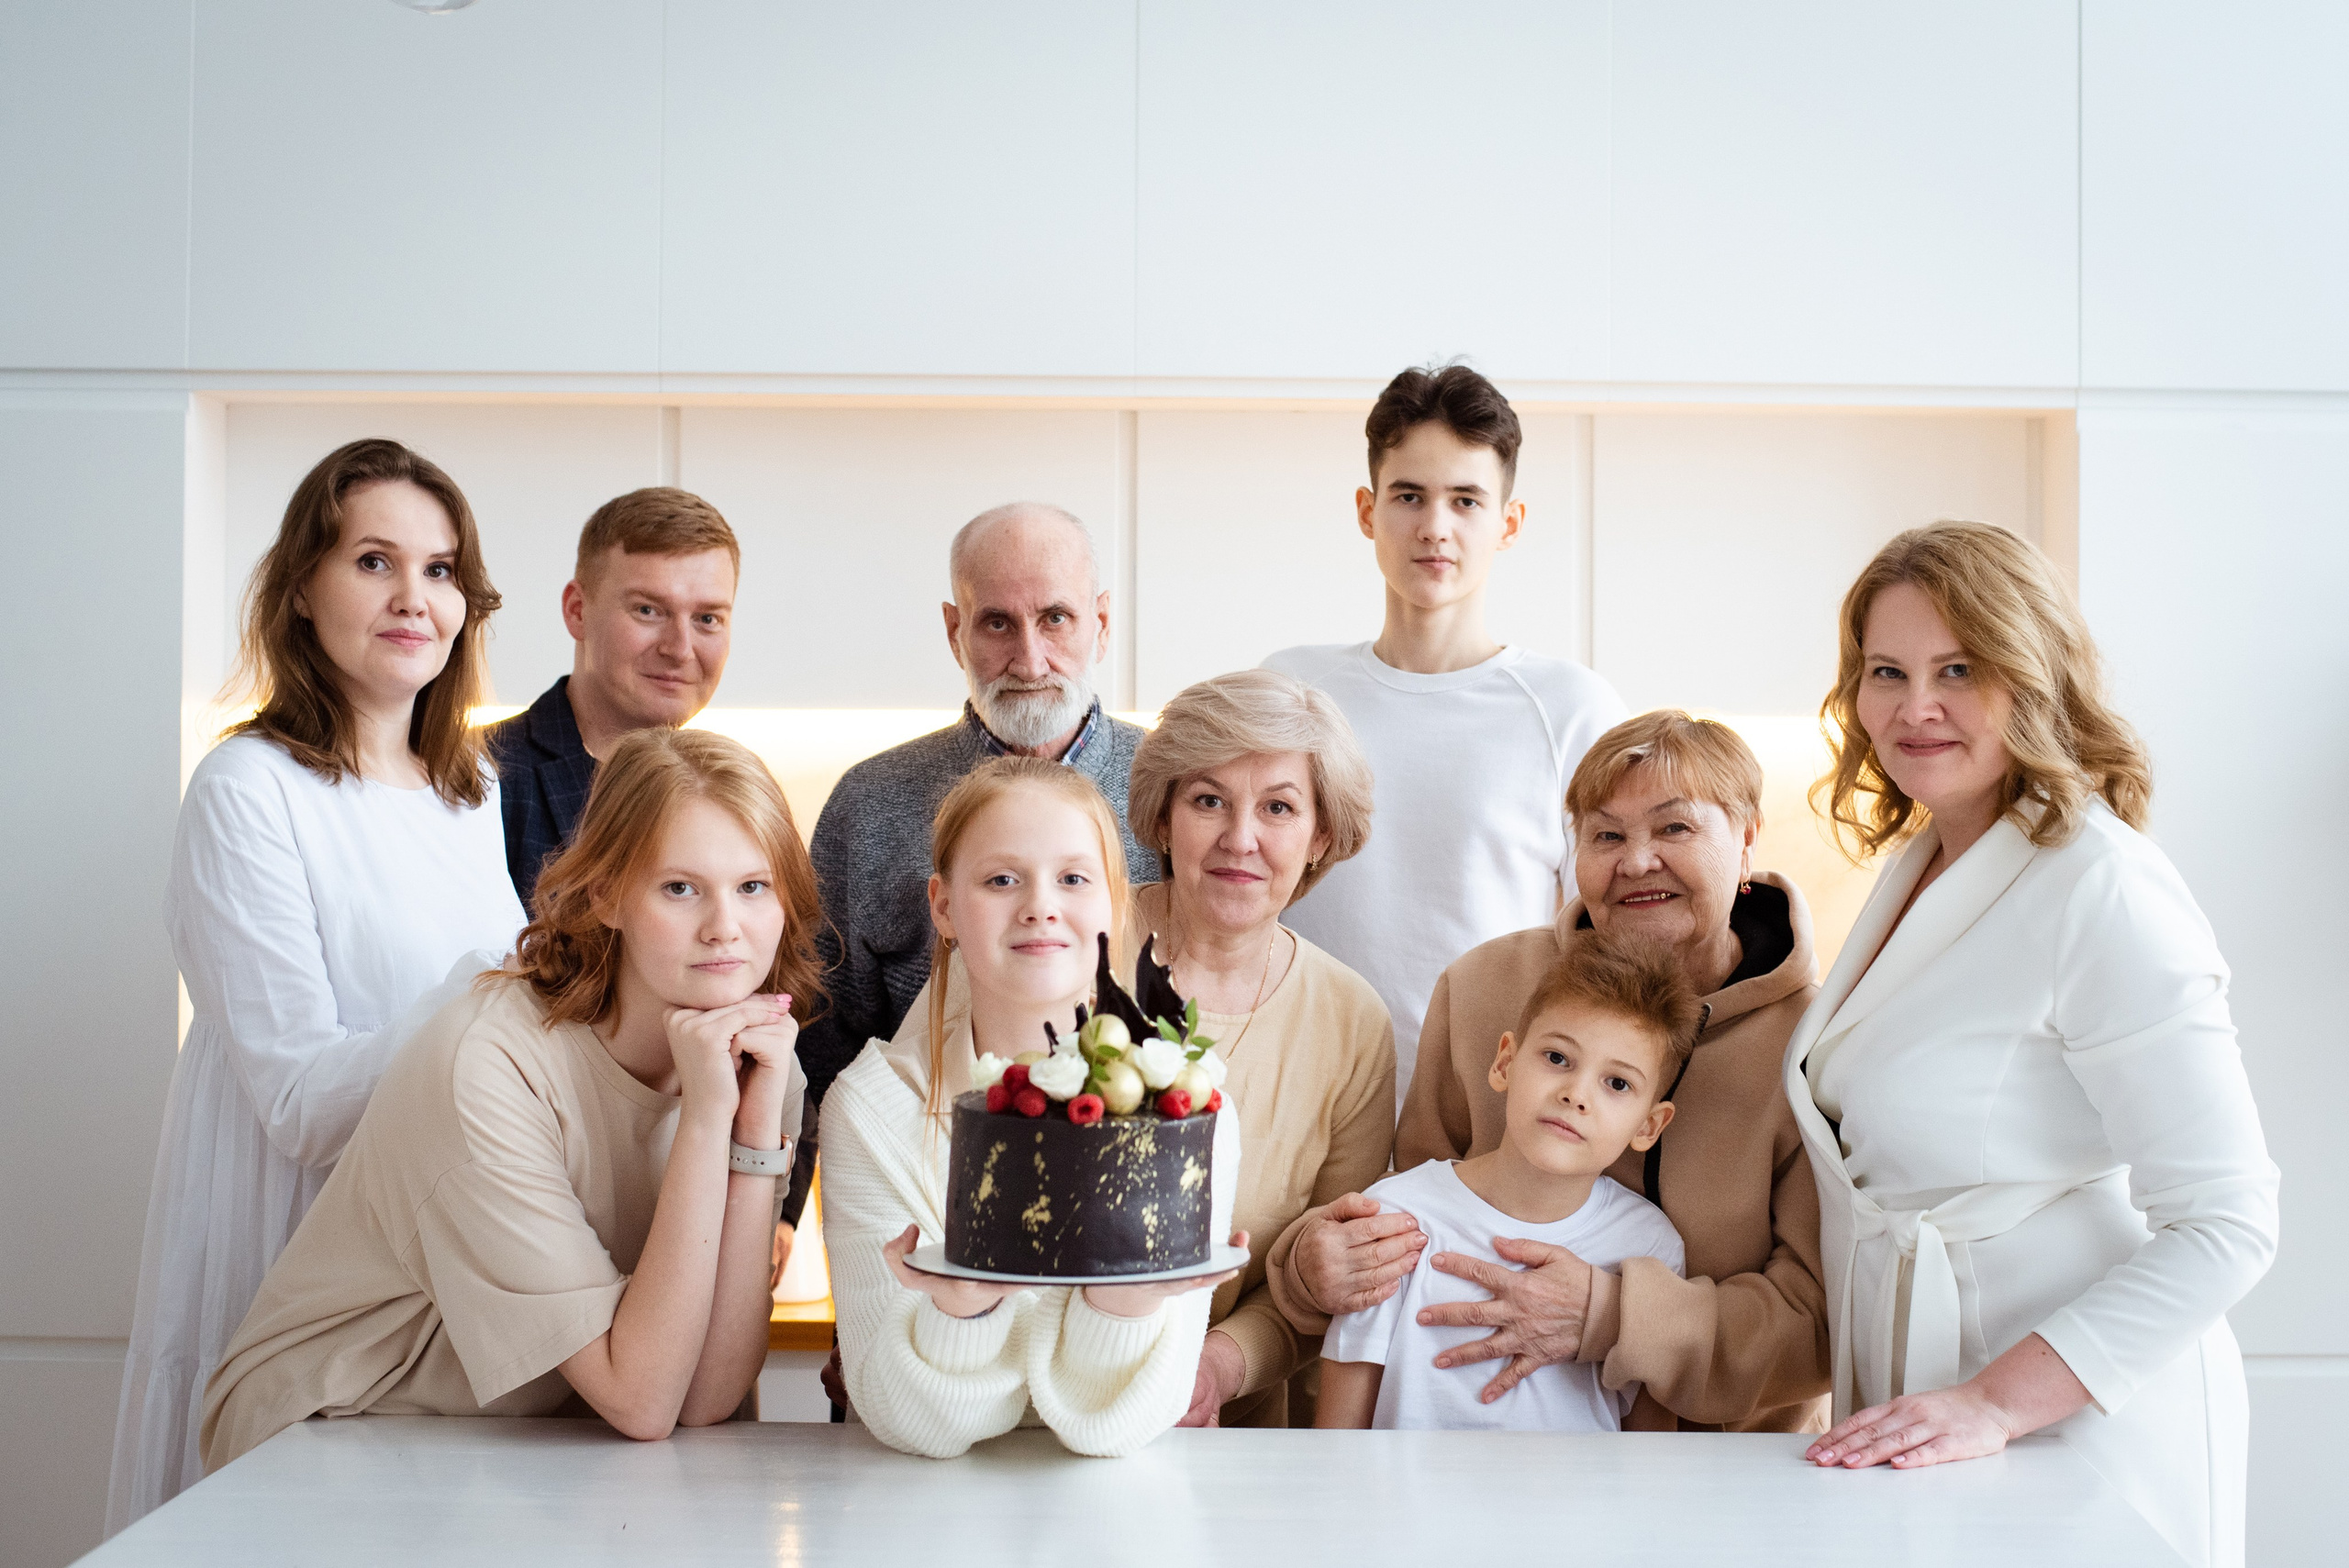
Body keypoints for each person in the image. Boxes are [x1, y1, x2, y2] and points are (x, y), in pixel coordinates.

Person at [1787, 521, 2277, 1568]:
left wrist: (1994, 1402)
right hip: (1933, 1416)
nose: (1914, 705)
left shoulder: (2102, 884)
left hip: (2079, 1424)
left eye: (1957, 668)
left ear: (2029, 673)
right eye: (1887, 671)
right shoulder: (1927, 859)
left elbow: (2230, 1222)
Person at [107, 439, 528, 1530]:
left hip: (423, 1250)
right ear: (301, 585)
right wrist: (490, 986)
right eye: (374, 561)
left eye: (440, 570)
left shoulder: (469, 787)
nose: (414, 598)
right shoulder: (247, 788)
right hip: (287, 1236)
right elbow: (300, 1102)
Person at [201, 728, 820, 1467]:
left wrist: (746, 1122)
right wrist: (709, 1118)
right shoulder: (489, 1064)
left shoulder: (756, 1064)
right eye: (680, 887)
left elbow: (706, 1397)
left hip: (530, 1441)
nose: (726, 928)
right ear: (607, 895)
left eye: (754, 886)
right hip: (332, 1431)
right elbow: (647, 1400)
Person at [1270, 711, 1831, 1434]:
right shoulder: (1481, 989)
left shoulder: (1818, 1042)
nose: (1635, 861)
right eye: (1605, 835)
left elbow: (1821, 1319)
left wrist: (1612, 1316)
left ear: (1748, 836)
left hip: (1737, 1477)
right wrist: (1305, 1269)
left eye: (1674, 829)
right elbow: (1407, 1231)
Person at [819, 756, 1239, 1459]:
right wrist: (966, 1302)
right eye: (1001, 878)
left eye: (1074, 878)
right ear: (943, 905)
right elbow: (893, 1409)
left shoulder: (1189, 1102)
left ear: (1113, 904)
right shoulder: (870, 1110)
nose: (1040, 904)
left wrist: (1128, 1303)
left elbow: (1128, 1422)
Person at [1266, 363, 1626, 1109]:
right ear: (1367, 510)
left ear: (1509, 522)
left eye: (1466, 499)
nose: (1435, 526)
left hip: (1490, 1123)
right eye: (1409, 496)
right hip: (1300, 1104)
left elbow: (1605, 948)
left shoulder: (1572, 708)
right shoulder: (1289, 690)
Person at [796, 504, 1154, 1191]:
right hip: (927, 1199)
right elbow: (821, 1047)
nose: (1029, 657)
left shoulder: (1174, 792)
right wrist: (782, 1219)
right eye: (997, 622)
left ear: (1101, 624)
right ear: (954, 631)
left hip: (1134, 1188)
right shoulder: (868, 804)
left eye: (1055, 617)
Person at [1119, 670, 1393, 1428]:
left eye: (1278, 807)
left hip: (1223, 1437)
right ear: (1165, 817)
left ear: (1321, 837)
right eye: (1208, 800)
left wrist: (1218, 1364)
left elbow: (1320, 1277)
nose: (1241, 837)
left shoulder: (1351, 1021)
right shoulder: (1065, 943)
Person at [1317, 933, 1693, 1430]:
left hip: (1584, 1510)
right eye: (1557, 1058)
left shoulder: (1649, 1250)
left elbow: (1652, 1461)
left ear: (1649, 1126)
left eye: (1617, 1083)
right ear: (1505, 1063)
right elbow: (1338, 1442)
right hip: (1403, 1508)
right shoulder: (1396, 1216)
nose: (1576, 1094)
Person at [483, 486, 740, 908]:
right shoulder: (478, 777)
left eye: (707, 619)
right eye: (647, 610)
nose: (679, 648)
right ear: (577, 610)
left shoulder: (733, 793)